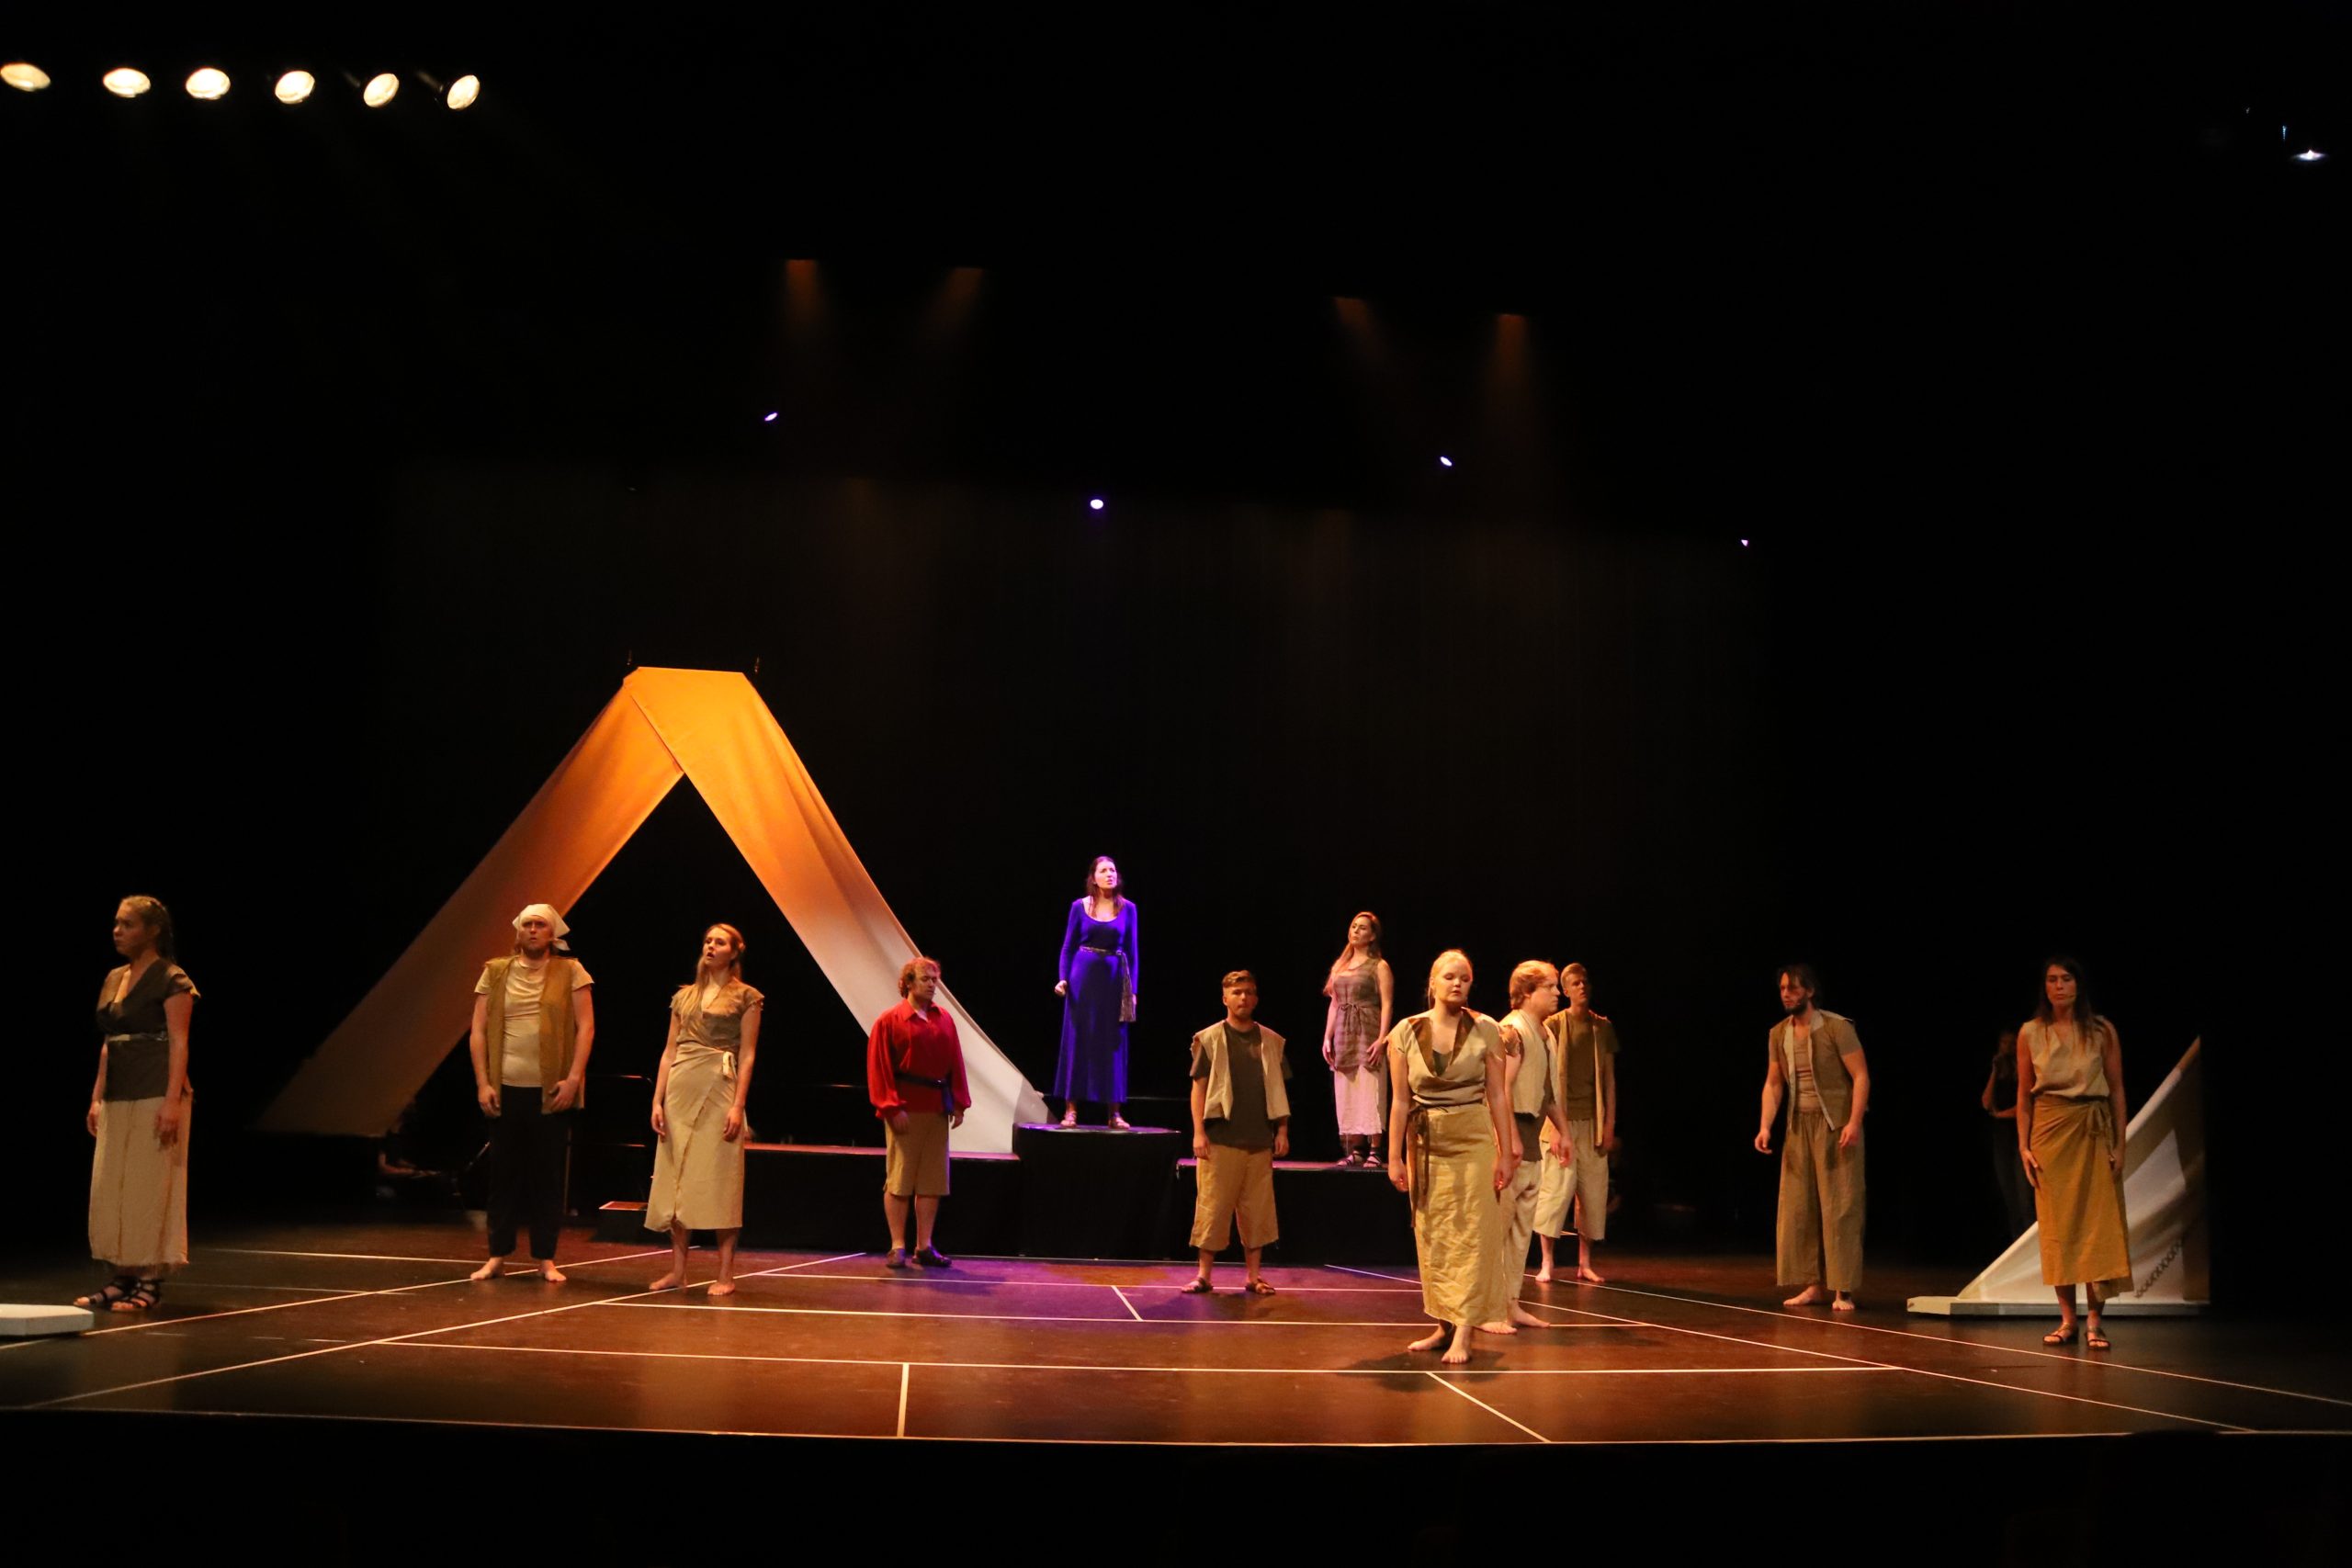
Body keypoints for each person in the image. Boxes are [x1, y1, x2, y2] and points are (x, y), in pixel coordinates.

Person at [1385, 950, 1517, 1364]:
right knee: (1435, 1234)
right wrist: (1393, 1156)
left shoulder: (1486, 1029)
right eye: (1449, 976)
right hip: (1426, 1143)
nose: (1457, 983)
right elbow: (1399, 1101)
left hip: (1472, 1138)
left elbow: (1498, 1095)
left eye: (1464, 978)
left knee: (1473, 1232)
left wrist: (1505, 1151)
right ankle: (1443, 1324)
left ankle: (1465, 1330)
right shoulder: (1405, 1032)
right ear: (1432, 982)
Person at [75, 897, 197, 1314]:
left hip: (155, 1089)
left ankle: (149, 1280)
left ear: (152, 930)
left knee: (148, 1185)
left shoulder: (172, 979)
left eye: (127, 924)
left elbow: (179, 1041)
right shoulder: (115, 977)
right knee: (112, 1185)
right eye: (116, 923)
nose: (117, 931)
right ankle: (121, 1275)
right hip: (118, 1090)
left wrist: (172, 1100)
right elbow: (109, 1042)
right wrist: (96, 1096)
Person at [468, 904, 596, 1283]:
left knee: (547, 1178)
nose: (534, 930)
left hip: (551, 1091)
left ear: (552, 933)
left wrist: (573, 1079)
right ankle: (497, 1255)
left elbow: (586, 1027)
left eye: (541, 924)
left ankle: (545, 1258)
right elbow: (478, 1030)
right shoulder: (495, 971)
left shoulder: (571, 971)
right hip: (505, 1088)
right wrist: (483, 1083)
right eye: (528, 924)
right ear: (518, 931)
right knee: (502, 1176)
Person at [2018, 957, 2130, 1349]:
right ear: (2044, 987)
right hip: (2050, 1131)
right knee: (2058, 1228)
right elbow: (2024, 1096)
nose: (2059, 986)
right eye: (2052, 980)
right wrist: (2023, 1146)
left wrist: (2120, 1143)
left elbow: (2116, 1088)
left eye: (2066, 979)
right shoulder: (2031, 1032)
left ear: (2078, 984)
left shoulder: (2101, 1031)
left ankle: (2095, 1320)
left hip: (2092, 1128)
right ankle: (2067, 1319)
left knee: (2098, 1226)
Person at [646, 924, 764, 1296]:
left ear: (735, 951)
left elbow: (748, 1055)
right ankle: (678, 1271)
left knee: (720, 1178)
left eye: (720, 942)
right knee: (677, 1177)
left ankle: (726, 1274)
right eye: (708, 941)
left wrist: (738, 1105)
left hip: (719, 1087)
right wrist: (657, 1099)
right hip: (680, 1088)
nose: (711, 946)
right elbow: (669, 1051)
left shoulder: (746, 997)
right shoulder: (684, 997)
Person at [1754, 963, 1868, 1310]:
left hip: (1835, 1126)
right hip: (1798, 1126)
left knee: (1840, 1206)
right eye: (1782, 988)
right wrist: (1765, 1125)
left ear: (1810, 991)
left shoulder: (1836, 1028)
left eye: (1793, 988)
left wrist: (1853, 1122)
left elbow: (1861, 1076)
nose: (1786, 994)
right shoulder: (1779, 1034)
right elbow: (1774, 1083)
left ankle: (1842, 1289)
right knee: (1800, 1207)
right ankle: (1813, 1284)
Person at [1185, 971, 1293, 1295]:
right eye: (1236, 992)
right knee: (1213, 1208)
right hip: (1221, 1139)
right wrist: (1198, 1132)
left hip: (1259, 1140)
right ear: (1225, 998)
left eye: (1248, 992)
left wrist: (1282, 1130)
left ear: (1256, 998)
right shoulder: (1210, 1038)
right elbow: (1199, 1088)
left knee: (1257, 1212)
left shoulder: (1271, 1041)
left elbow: (1278, 1089)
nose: (1243, 997)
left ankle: (1253, 1276)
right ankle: (1204, 1275)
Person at [867, 955, 970, 1267]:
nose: (932, 985)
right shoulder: (890, 1020)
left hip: (936, 1107)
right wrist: (890, 1107)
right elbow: (879, 1068)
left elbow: (955, 1061)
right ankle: (897, 1245)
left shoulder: (944, 1019)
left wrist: (959, 1103)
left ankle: (924, 1245)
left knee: (931, 1181)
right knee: (900, 1179)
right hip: (905, 1108)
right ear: (908, 983)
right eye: (925, 979)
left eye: (935, 979)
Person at [1485, 961, 1569, 1331]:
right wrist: (1510, 1140)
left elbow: (1548, 1093)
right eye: (1550, 986)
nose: (1557, 993)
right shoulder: (1512, 1030)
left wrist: (1564, 1132)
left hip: (1532, 1140)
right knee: (1499, 1228)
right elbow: (1500, 1090)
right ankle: (1488, 1309)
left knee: (1521, 1232)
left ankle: (1511, 1303)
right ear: (1527, 992)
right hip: (1511, 1140)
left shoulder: (1546, 1034)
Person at [1535, 962, 1621, 1285]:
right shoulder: (1554, 1025)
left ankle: (1585, 1263)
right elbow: (1546, 1079)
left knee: (1593, 1194)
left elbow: (1609, 1081)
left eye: (1584, 981)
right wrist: (1556, 1127)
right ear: (1565, 990)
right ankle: (1547, 1261)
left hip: (1592, 1123)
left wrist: (1609, 1125)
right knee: (1555, 1193)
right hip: (1562, 1122)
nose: (1581, 986)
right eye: (1574, 983)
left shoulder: (1602, 1027)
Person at [1055, 855, 1137, 1129]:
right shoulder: (1079, 907)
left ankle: (1114, 1113)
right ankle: (1071, 1110)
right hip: (1082, 980)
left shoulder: (1128, 909)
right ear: (1093, 877)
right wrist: (1063, 978)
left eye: (1113, 870)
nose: (1110, 874)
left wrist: (1133, 991)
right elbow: (1068, 946)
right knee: (1078, 1041)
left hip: (1114, 983)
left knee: (1113, 1043)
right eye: (1103, 870)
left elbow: (1133, 952)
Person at [1321, 911, 1394, 1166]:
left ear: (1372, 936)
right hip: (1344, 1031)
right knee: (1348, 1087)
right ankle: (1356, 1148)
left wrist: (1382, 1038)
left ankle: (1375, 1149)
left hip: (1367, 1028)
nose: (1356, 931)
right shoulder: (1340, 967)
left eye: (1362, 928)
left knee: (1369, 1086)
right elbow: (1335, 1004)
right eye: (1354, 926)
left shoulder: (1379, 966)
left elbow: (1387, 1004)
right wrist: (1327, 1037)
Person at [1979, 1027, 2033, 1244]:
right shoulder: (1998, 1073)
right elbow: (1986, 1103)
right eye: (2004, 1043)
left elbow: (2024, 1106)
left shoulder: (2023, 1072)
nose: (2007, 1048)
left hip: (2020, 1138)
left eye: (2012, 1043)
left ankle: (2031, 1245)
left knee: (2024, 1198)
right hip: (2001, 1142)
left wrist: (2000, 1114)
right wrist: (1994, 1071)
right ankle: (2017, 1246)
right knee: (2010, 1199)